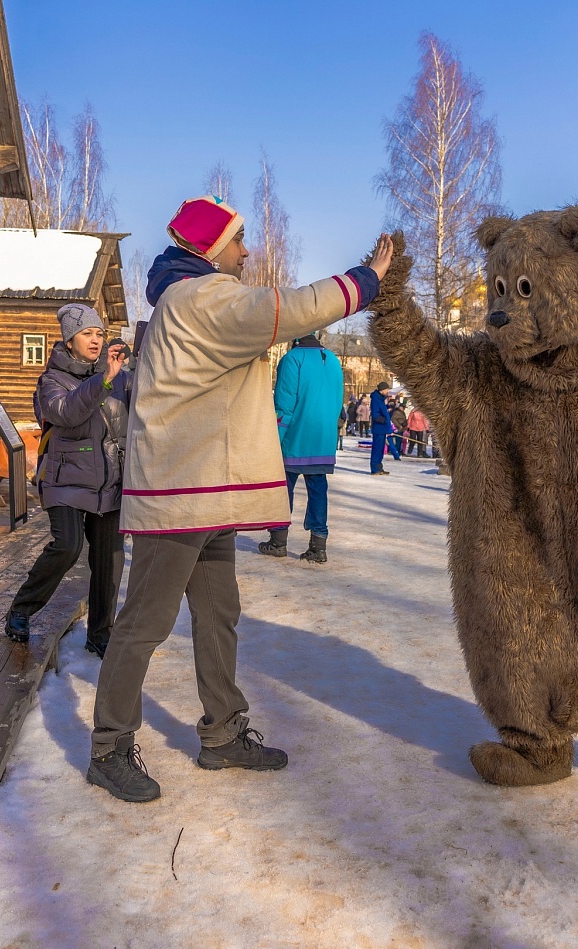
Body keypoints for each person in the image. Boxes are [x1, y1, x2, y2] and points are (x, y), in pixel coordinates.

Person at [84, 196, 392, 803]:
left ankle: (222, 733)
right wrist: (368, 279)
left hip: (205, 491)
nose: (246, 251)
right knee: (145, 623)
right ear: (207, 247)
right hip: (181, 492)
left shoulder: (188, 299)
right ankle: (109, 746)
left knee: (219, 613)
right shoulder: (201, 298)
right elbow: (291, 309)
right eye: (238, 240)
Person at [5, 303, 129, 656]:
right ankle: (21, 609)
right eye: (87, 333)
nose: (95, 339)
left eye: (99, 333)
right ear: (69, 340)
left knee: (109, 560)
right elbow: (65, 413)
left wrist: (135, 364)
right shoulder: (52, 380)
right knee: (68, 546)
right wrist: (102, 380)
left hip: (108, 479)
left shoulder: (119, 374)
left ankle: (100, 633)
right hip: (66, 479)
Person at [258, 331, 344, 563]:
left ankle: (278, 540)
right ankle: (319, 545)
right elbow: (338, 401)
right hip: (324, 438)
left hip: (295, 436)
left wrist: (274, 439)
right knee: (318, 488)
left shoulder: (293, 358)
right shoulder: (333, 359)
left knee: (282, 488)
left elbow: (284, 404)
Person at [369, 382, 393, 474]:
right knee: (377, 449)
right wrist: (383, 420)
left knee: (381, 450)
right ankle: (375, 468)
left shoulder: (381, 399)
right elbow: (375, 414)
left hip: (382, 428)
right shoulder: (376, 399)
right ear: (382, 390)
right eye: (387, 389)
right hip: (379, 428)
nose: (388, 391)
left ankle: (379, 467)